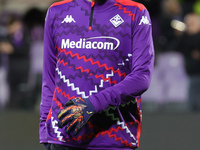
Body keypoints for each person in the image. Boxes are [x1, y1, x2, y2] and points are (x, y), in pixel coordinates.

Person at [39, 0, 154, 150]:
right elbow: (49, 76)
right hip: (63, 137)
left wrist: (93, 104)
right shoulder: (57, 11)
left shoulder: (135, 12)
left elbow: (142, 78)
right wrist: (45, 131)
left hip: (114, 137)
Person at [174, 13, 200, 111]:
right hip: (192, 70)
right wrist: (180, 35)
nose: (189, 25)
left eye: (192, 23)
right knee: (193, 90)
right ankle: (192, 111)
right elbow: (177, 47)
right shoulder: (186, 37)